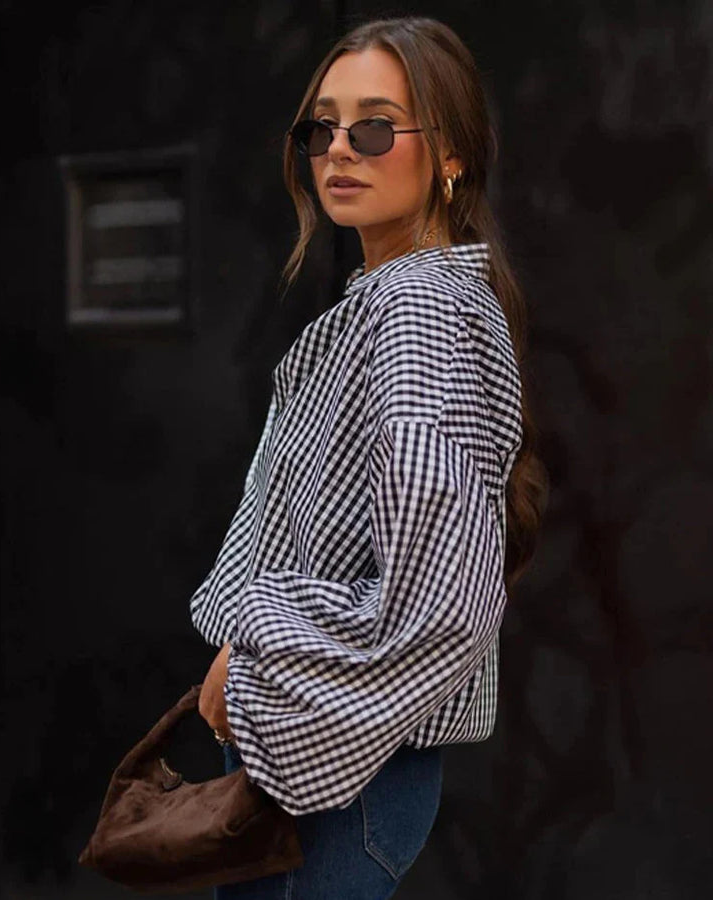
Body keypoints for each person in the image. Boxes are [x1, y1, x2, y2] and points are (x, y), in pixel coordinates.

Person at [193, 14, 547, 900]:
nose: (340, 149)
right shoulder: (389, 303)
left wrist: (262, 658)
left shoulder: (420, 314)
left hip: (344, 771)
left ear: (454, 154)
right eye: (323, 127)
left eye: (377, 126)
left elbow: (445, 601)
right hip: (318, 758)